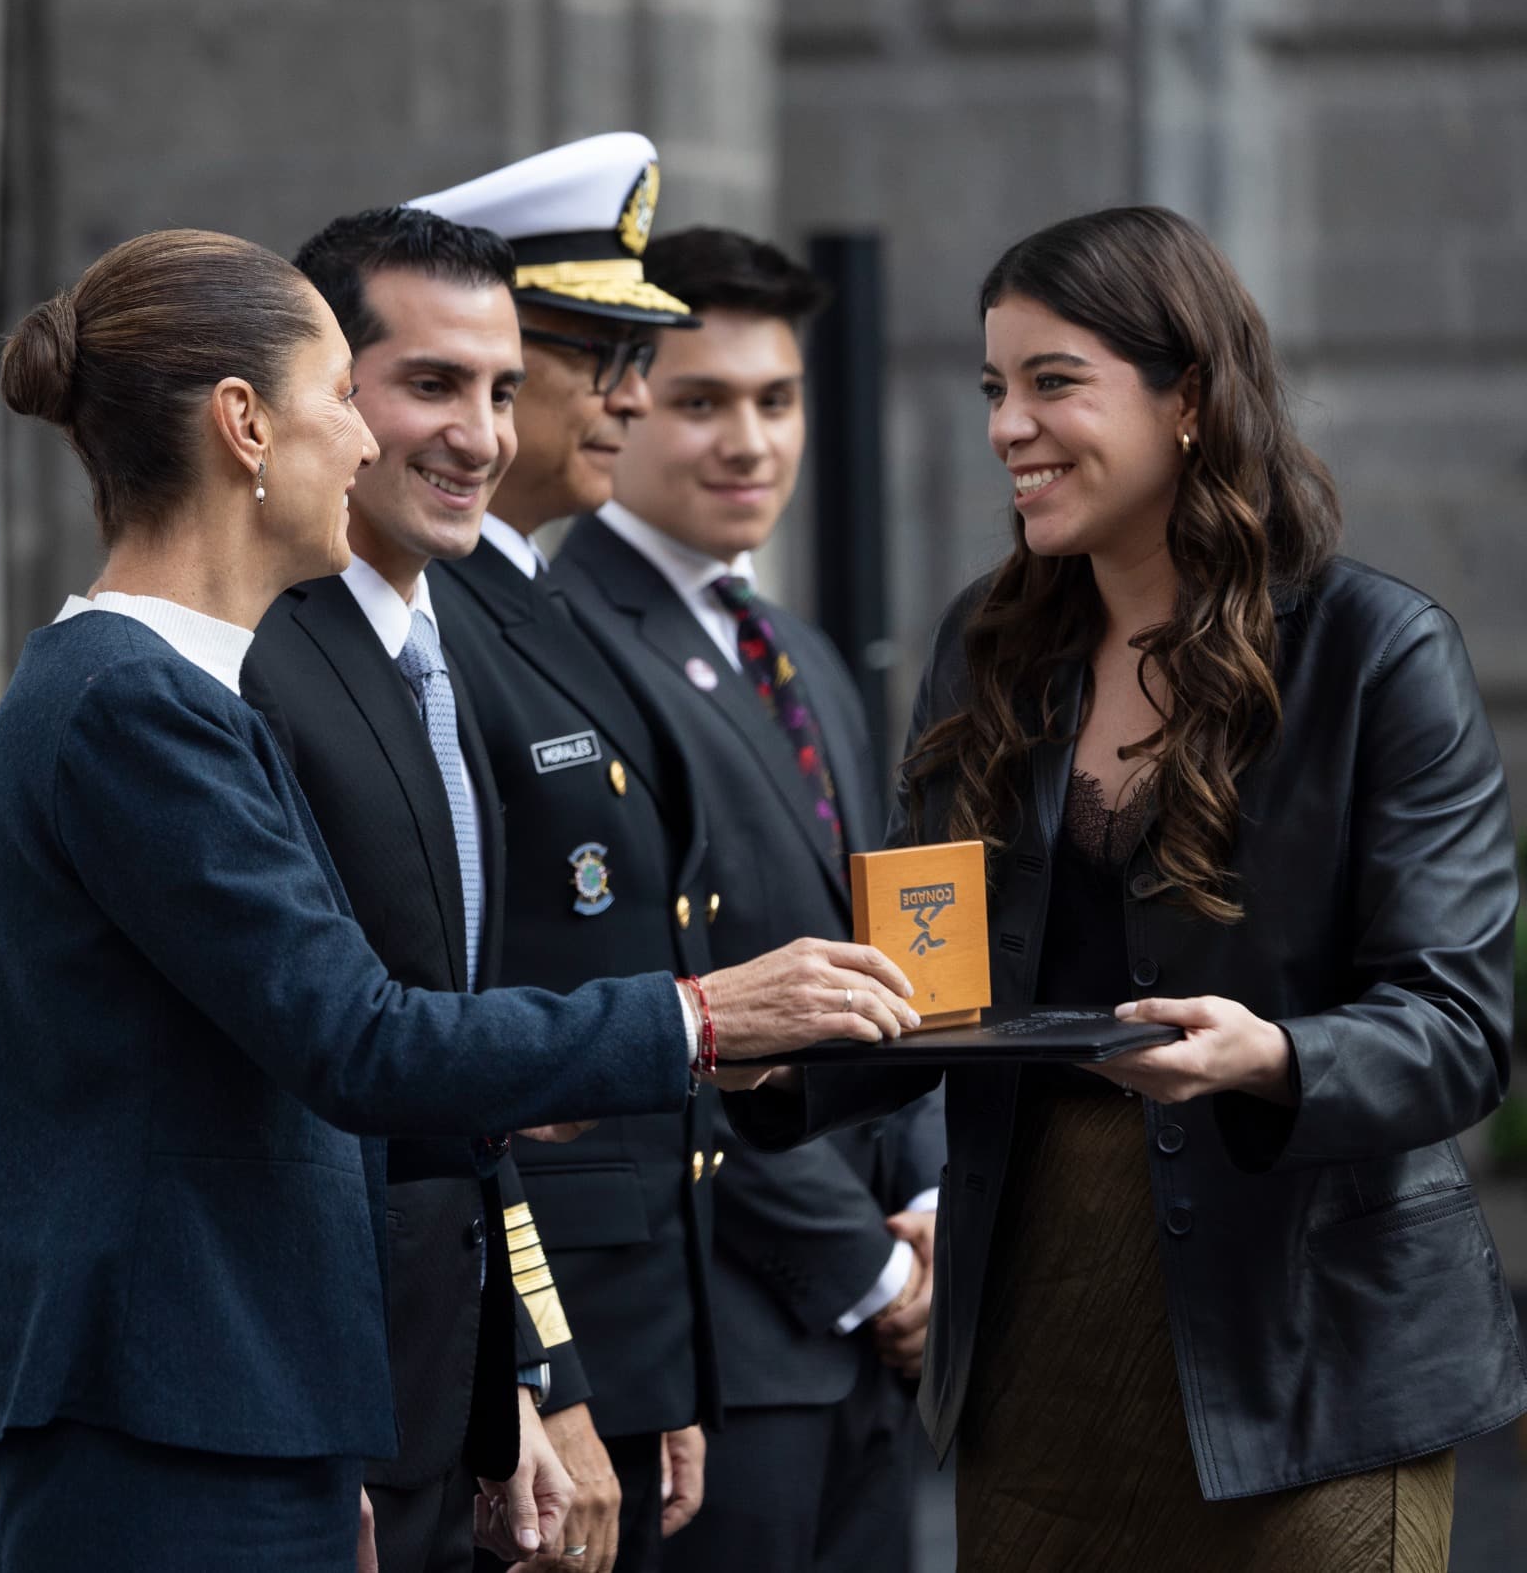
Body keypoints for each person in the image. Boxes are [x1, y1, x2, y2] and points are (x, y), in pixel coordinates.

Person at [0, 227, 921, 1573]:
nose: (363, 443)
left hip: (243, 1410)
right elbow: (359, 1039)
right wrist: (701, 1015)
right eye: (343, 395)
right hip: (167, 1425)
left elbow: (311, 1089)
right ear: (243, 426)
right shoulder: (131, 701)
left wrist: (386, 1414)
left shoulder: (178, 692)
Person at [730, 205, 1526, 1571]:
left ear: (1193, 402)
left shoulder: (1376, 652)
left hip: (1311, 1342)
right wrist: (755, 1053)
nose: (1007, 426)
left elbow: (1458, 1027)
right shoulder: (989, 643)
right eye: (994, 387)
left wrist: (1271, 1054)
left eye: (1053, 382)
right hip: (1035, 1317)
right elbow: (936, 981)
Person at [553, 227, 944, 1573]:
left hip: (870, 1342)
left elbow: (893, 950)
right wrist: (867, 1267)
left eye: (775, 400)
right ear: (620, 402)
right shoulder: (566, 645)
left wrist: (931, 1207)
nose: (750, 441)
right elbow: (646, 1018)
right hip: (724, 1341)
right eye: (700, 399)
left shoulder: (799, 648)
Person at [400, 138, 736, 1573]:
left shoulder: (537, 595)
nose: (631, 395)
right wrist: (547, 1366)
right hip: (539, 1325)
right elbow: (464, 1033)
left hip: (630, 1301)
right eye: (591, 352)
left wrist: (654, 1361)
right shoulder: (425, 621)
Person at [244, 202, 580, 1573]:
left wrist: (518, 1377)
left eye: (502, 390)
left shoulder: (449, 654)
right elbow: (307, 1080)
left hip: (444, 1389)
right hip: (325, 1407)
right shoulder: (260, 663)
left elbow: (464, 1114)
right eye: (432, 384)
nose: (482, 434)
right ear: (330, 397)